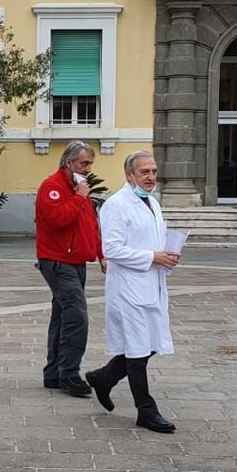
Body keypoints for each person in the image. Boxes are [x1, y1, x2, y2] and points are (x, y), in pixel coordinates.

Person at [84, 151, 178, 434]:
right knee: (137, 350)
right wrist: (152, 256)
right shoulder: (116, 205)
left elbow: (152, 240)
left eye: (153, 171)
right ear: (129, 175)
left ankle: (103, 378)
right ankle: (146, 411)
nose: (151, 177)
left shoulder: (152, 203)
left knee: (149, 345)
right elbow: (111, 249)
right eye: (144, 172)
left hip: (152, 284)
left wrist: (167, 254)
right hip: (128, 288)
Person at [35, 140, 104, 397]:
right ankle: (69, 373)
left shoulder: (79, 190)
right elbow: (58, 219)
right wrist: (78, 197)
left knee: (63, 316)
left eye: (90, 164)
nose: (88, 168)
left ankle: (54, 372)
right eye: (84, 163)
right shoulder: (53, 187)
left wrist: (101, 254)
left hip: (75, 262)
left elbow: (91, 226)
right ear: (68, 162)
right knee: (76, 315)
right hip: (58, 261)